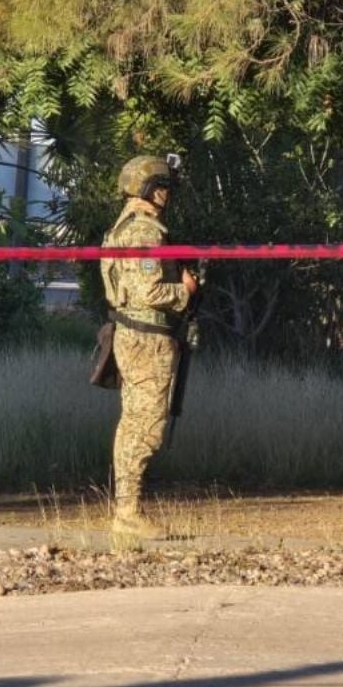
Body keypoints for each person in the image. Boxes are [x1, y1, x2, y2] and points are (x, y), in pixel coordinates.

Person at [100, 155, 198, 542]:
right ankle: (128, 512)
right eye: (163, 188)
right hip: (146, 338)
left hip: (136, 336)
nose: (166, 195)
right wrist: (186, 291)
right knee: (147, 426)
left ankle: (127, 509)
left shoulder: (126, 226)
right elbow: (147, 290)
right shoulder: (144, 232)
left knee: (135, 423)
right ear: (149, 189)